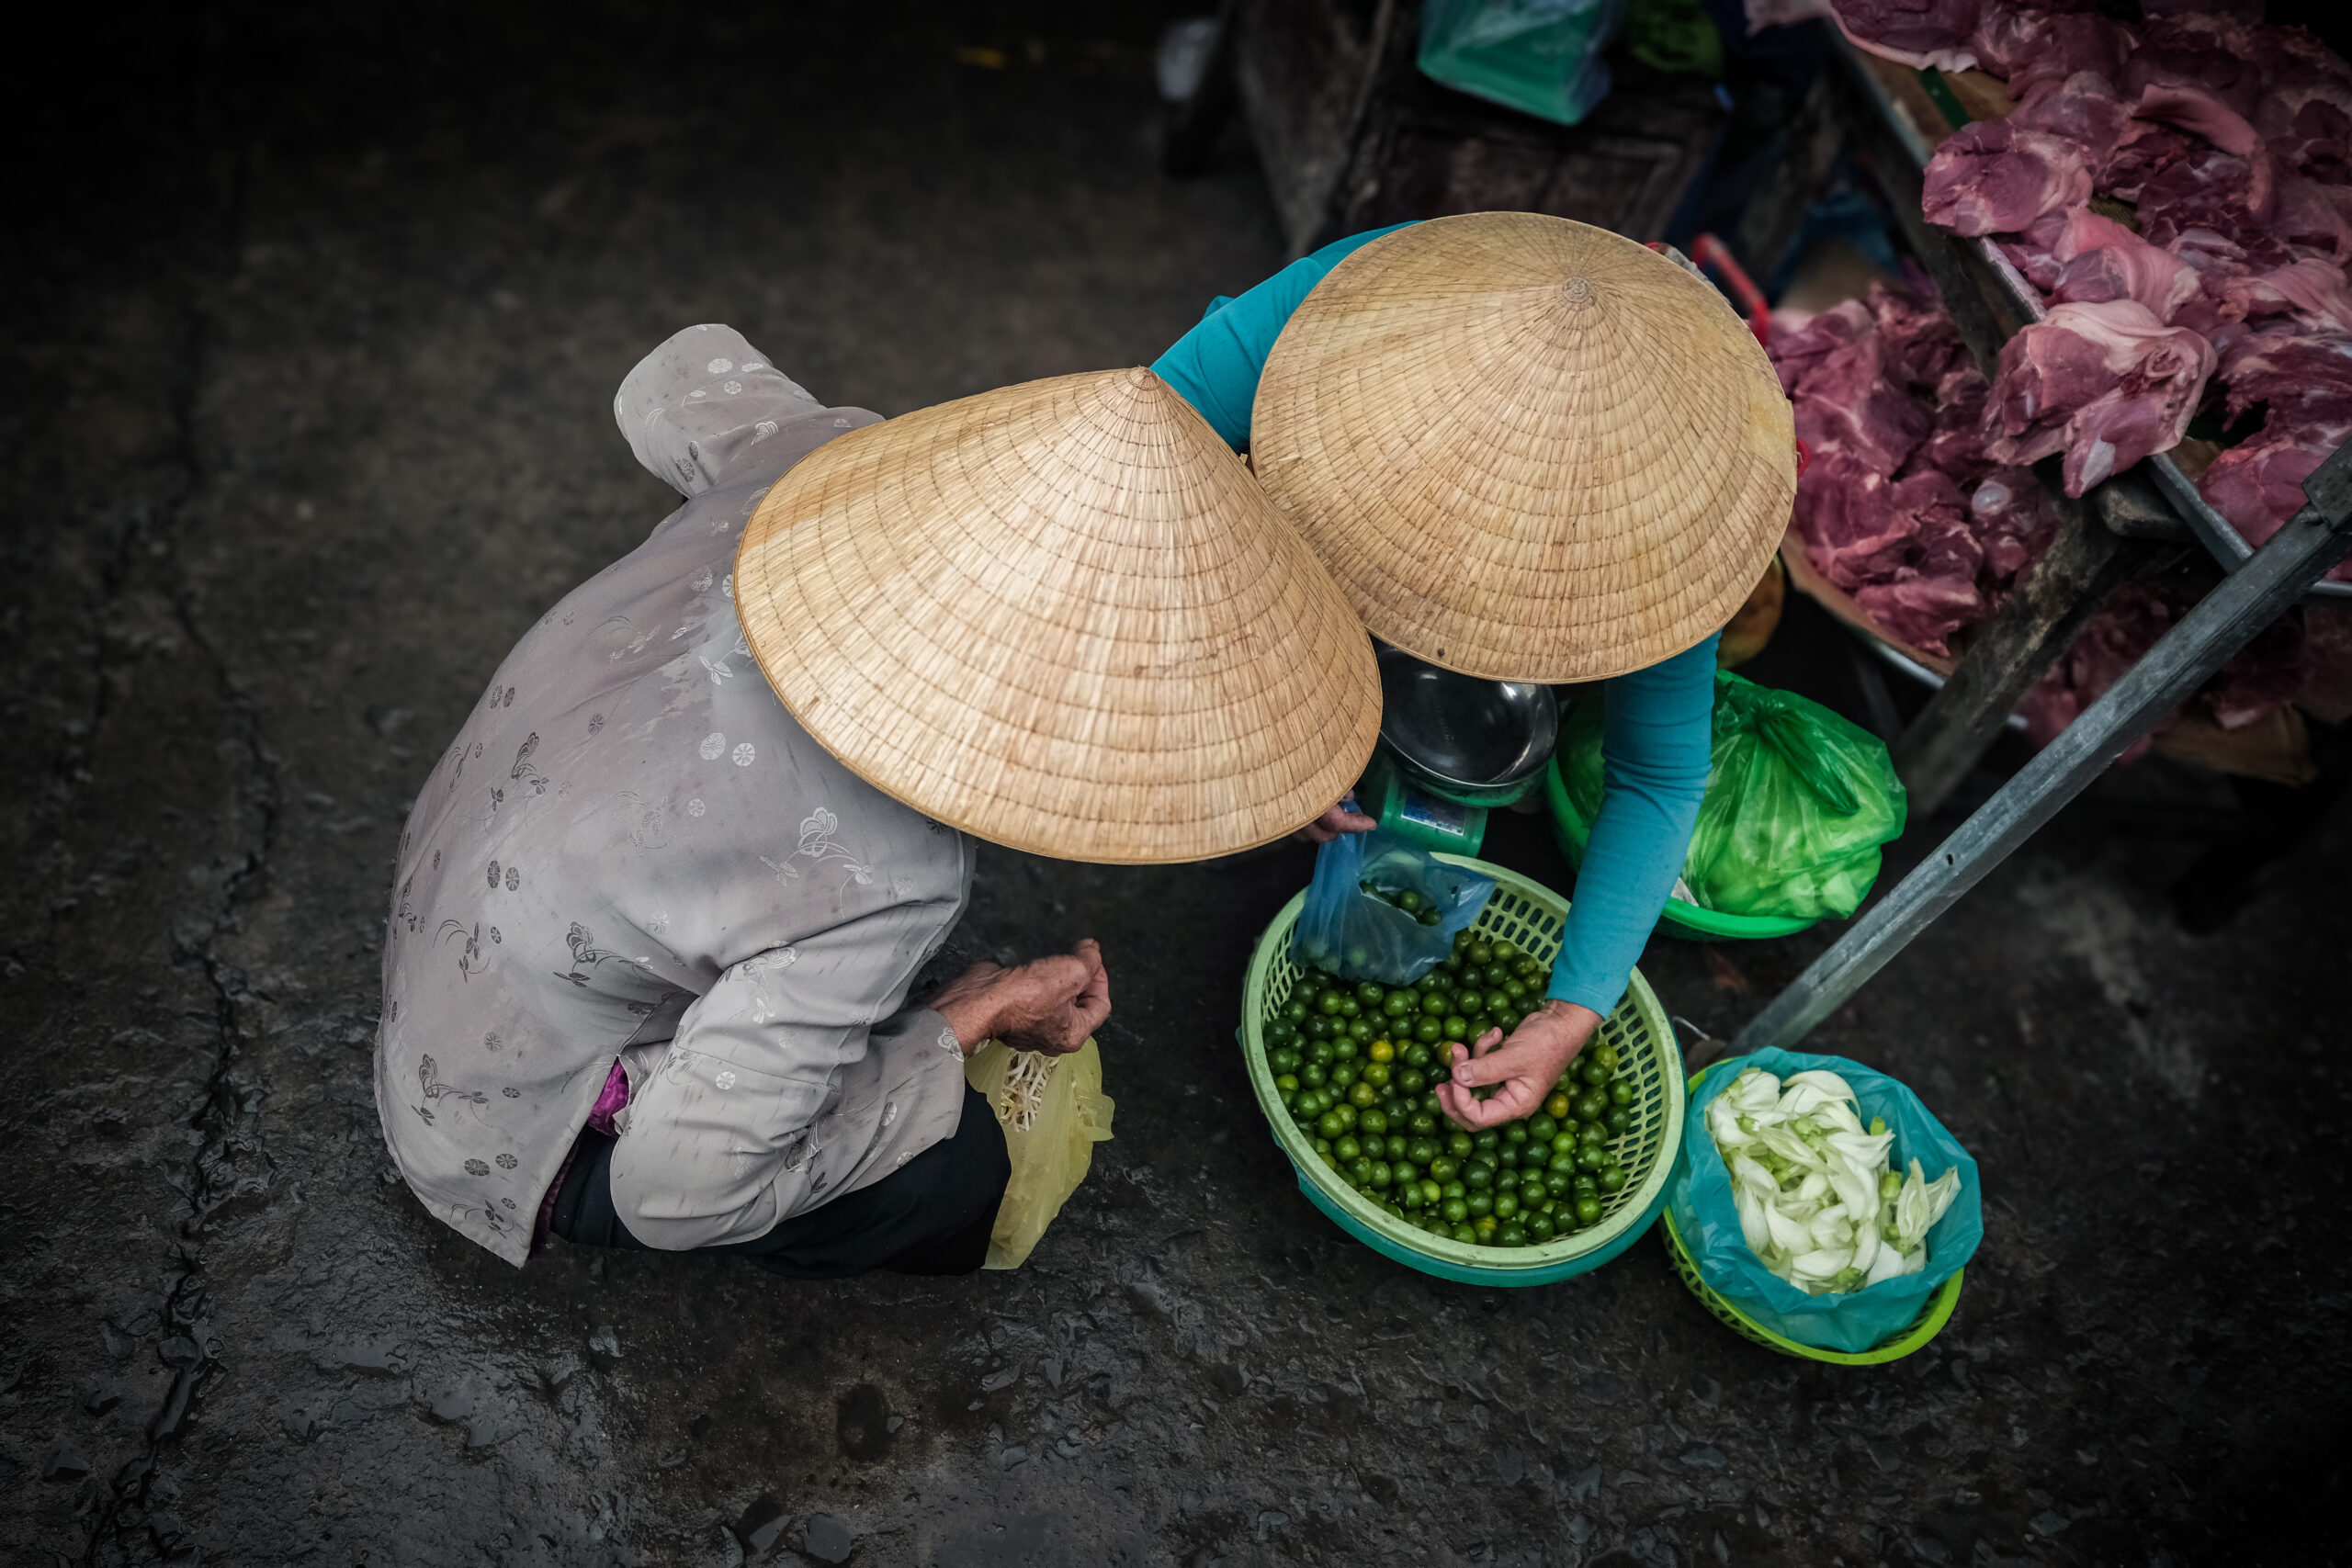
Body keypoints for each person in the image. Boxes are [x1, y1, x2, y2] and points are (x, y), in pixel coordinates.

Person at [376, 329, 1380, 1276]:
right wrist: (971, 1012)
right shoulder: (885, 871)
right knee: (957, 1177)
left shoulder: (824, 469)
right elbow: (672, 1196)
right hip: (491, 1124)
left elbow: (670, 377)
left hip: (466, 905)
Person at [1152, 212, 1795, 1134]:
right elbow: (1138, 473)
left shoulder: (1674, 521)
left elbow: (1657, 777)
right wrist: (1252, 728)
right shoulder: (1341, 309)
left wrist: (1572, 1009)